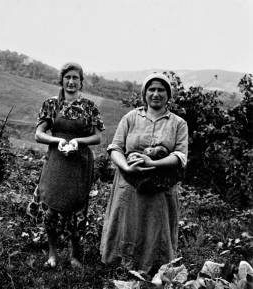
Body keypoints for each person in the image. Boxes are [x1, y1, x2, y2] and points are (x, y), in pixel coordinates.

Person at [100, 73, 188, 275]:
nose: (156, 94)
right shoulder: (130, 118)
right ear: (144, 93)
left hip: (160, 187)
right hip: (128, 184)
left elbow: (180, 156)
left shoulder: (178, 123)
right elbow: (115, 148)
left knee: (155, 228)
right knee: (126, 225)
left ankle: (153, 268)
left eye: (161, 90)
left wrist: (153, 163)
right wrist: (127, 167)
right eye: (151, 89)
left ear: (168, 95)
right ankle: (120, 266)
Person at [35, 62, 105, 268]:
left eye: (76, 78)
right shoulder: (51, 104)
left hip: (79, 164)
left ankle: (75, 255)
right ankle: (52, 254)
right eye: (68, 77)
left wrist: (77, 141)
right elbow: (38, 134)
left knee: (78, 213)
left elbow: (98, 137)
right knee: (50, 211)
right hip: (56, 162)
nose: (71, 82)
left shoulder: (89, 106)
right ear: (62, 80)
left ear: (81, 82)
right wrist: (58, 141)